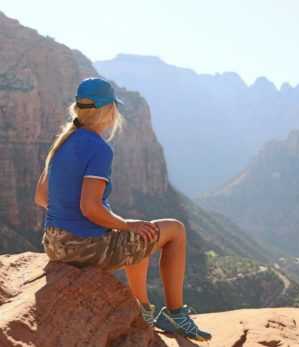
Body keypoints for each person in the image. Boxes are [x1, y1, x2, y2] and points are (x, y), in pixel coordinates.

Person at [34, 77, 211, 342]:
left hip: (54, 243)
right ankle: (175, 314)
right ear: (110, 110)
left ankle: (142, 309)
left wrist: (71, 217)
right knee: (174, 230)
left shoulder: (63, 142)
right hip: (84, 247)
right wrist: (125, 224)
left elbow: (41, 196)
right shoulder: (98, 148)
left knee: (139, 237)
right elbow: (89, 207)